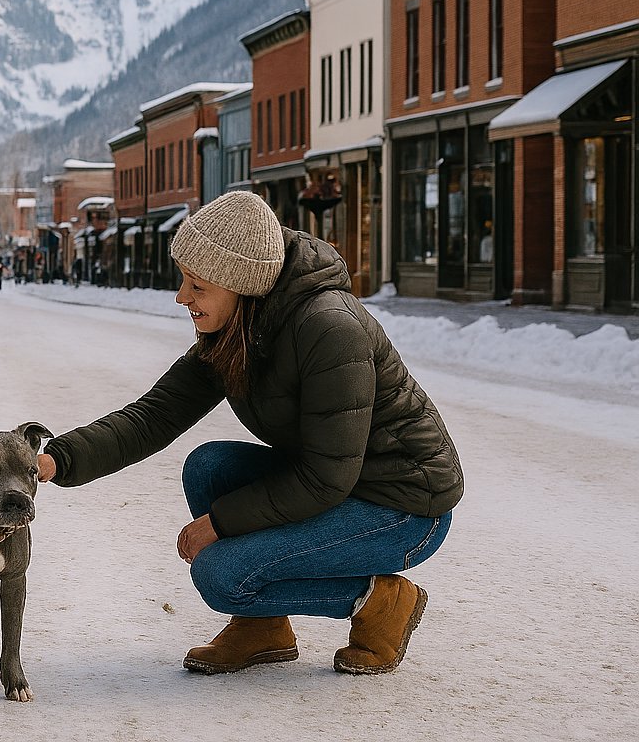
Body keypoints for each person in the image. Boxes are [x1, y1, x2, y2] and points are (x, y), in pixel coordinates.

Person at [38, 191, 463, 676]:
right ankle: (263, 628)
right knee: (211, 466)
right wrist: (56, 458)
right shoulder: (238, 330)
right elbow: (152, 417)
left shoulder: (329, 329)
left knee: (221, 574)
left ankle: (381, 602)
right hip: (341, 485)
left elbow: (325, 478)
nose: (182, 297)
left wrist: (218, 525)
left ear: (241, 284)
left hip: (404, 507)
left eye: (197, 285)